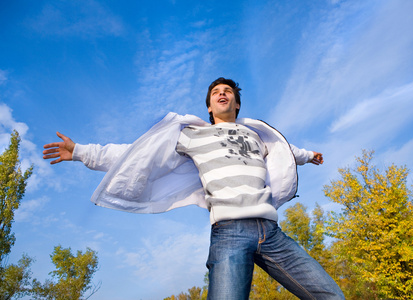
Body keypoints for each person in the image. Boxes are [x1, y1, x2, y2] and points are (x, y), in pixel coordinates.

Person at [43, 78, 345, 299]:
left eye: (228, 91)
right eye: (216, 92)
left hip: (272, 233)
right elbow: (137, 155)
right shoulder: (194, 136)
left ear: (236, 104)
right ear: (210, 106)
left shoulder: (256, 133)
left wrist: (308, 156)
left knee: (332, 296)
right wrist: (82, 151)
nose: (222, 94)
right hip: (230, 234)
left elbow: (285, 150)